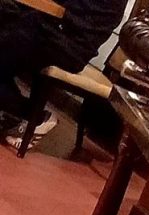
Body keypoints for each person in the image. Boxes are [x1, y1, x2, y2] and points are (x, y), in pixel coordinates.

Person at [0, 0, 128, 148]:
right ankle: (17, 113)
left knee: (12, 25)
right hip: (54, 32)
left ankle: (34, 116)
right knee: (8, 15)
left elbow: (72, 15)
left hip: (66, 45)